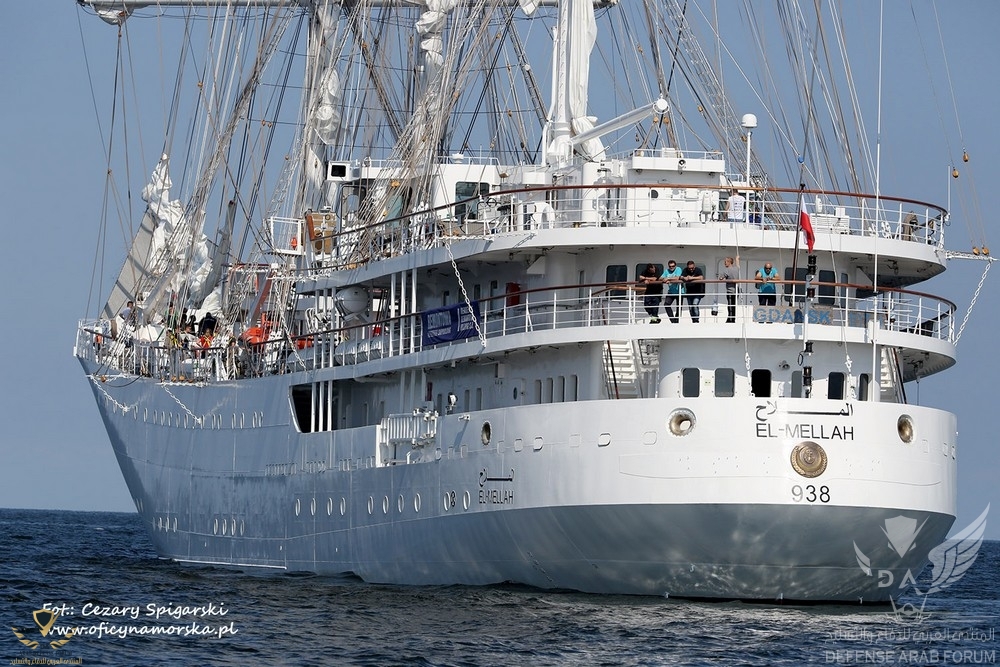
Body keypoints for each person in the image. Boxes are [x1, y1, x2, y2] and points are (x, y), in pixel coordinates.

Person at [719, 256, 740, 323]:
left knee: (730, 305)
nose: (725, 263)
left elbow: (721, 278)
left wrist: (723, 278)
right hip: (736, 290)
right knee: (734, 304)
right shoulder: (736, 268)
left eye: (725, 262)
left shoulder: (726, 270)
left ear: (729, 262)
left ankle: (731, 319)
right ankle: (732, 318)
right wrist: (737, 259)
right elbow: (738, 265)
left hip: (730, 290)